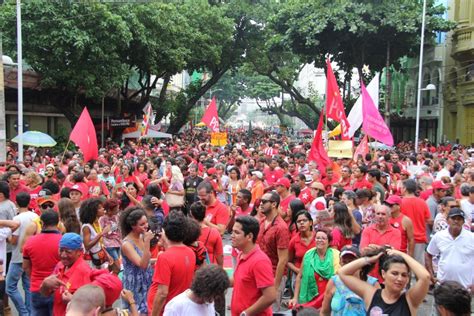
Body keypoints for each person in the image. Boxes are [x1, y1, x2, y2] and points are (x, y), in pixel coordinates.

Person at [338, 248, 431, 315]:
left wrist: (401, 254)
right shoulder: (371, 294)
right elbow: (343, 273)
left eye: (404, 275)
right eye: (395, 273)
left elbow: (425, 277)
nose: (399, 279)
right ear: (383, 274)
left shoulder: (410, 299)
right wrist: (369, 260)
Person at [147, 211, 196, 316]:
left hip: (167, 310)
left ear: (165, 231)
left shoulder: (165, 257)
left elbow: (162, 293)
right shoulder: (190, 252)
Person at [40, 233, 96, 316]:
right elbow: (45, 293)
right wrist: (45, 284)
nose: (63, 255)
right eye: (61, 250)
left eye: (68, 252)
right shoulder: (60, 265)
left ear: (79, 252)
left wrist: (73, 300)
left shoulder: (85, 272)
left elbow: (92, 308)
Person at [230, 216, 276, 316]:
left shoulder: (260, 261)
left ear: (249, 236)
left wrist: (246, 313)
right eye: (232, 231)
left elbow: (270, 296)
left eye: (237, 233)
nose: (232, 236)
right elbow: (239, 280)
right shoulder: (241, 254)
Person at [320, 245, 379, 316]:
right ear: (340, 262)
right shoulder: (334, 282)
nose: (347, 265)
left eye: (351, 262)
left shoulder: (372, 284)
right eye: (344, 262)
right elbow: (325, 312)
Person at [22, 209, 61, 316]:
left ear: (42, 223)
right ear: (58, 222)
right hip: (57, 288)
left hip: (36, 287)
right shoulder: (63, 242)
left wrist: (34, 278)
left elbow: (25, 267)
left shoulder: (30, 241)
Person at [290, 229, 340, 310]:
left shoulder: (335, 255)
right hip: (309, 298)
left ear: (329, 242)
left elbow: (338, 279)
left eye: (323, 238)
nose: (320, 240)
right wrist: (295, 298)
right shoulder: (308, 255)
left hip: (328, 297)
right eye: (317, 238)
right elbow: (299, 276)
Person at [426, 207, 474, 290]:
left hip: (465, 286)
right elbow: (429, 254)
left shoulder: (471, 237)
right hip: (442, 284)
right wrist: (431, 275)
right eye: (453, 218)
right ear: (447, 220)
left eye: (459, 219)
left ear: (463, 222)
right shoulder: (439, 236)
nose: (456, 221)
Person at [256, 191, 289, 311]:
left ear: (274, 204)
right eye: (260, 201)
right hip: (258, 273)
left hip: (273, 275)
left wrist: (276, 286)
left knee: (271, 311)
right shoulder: (261, 222)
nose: (260, 204)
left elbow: (283, 260)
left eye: (264, 202)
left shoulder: (281, 227)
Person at [7, 192, 37, 316]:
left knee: (10, 287)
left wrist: (6, 237)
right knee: (28, 286)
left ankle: (24, 312)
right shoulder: (35, 216)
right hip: (31, 256)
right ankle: (29, 312)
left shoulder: (17, 218)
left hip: (18, 257)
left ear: (16, 203)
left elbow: (13, 240)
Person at [120, 206, 154, 315]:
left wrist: (160, 259)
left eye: (146, 223)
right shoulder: (127, 244)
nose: (146, 226)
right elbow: (142, 264)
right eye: (142, 224)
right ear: (133, 226)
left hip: (145, 280)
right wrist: (148, 241)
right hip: (135, 284)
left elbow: (146, 259)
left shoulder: (140, 237)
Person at [163, 264, 230, 316]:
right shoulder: (175, 306)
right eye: (213, 295)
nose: (213, 299)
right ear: (205, 289)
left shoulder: (208, 302)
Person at [400, 179, 432, 265]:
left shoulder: (400, 203)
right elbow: (428, 220)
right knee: (418, 266)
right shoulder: (422, 202)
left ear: (405, 189)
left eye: (401, 187)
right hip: (419, 238)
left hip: (405, 239)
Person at [80, 198, 111, 269]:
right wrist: (102, 233)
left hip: (98, 257)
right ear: (93, 211)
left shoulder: (97, 223)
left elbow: (99, 244)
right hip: (90, 261)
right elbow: (87, 246)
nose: (103, 209)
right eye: (100, 208)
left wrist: (107, 255)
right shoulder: (86, 227)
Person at [189, 202, 223, 266]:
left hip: (193, 266)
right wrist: (220, 268)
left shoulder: (187, 232)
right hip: (210, 267)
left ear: (191, 215)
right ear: (205, 214)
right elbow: (219, 255)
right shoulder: (214, 232)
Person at [287, 210, 315, 287]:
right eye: (299, 221)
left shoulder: (318, 238)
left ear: (310, 223)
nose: (301, 223)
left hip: (317, 276)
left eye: (304, 220)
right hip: (300, 278)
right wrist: (299, 271)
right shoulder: (294, 241)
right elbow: (288, 262)